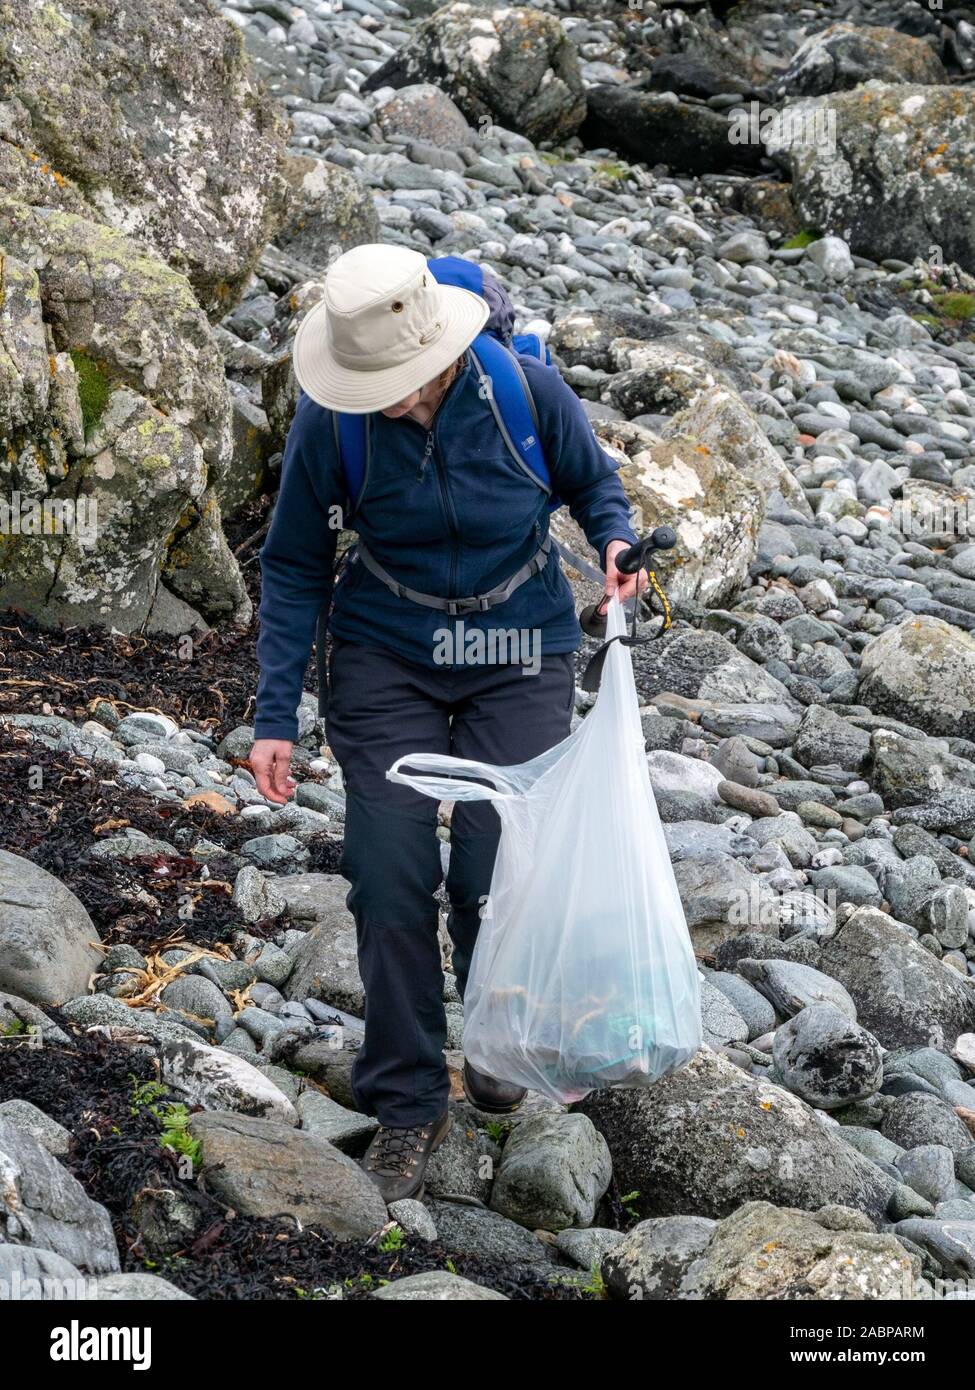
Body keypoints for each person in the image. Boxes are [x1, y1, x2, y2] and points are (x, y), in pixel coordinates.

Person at [250, 243, 644, 1202]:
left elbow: (595, 487)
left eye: (389, 378)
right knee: (387, 878)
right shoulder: (332, 423)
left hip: (519, 649)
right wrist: (274, 716)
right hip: (387, 654)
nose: (376, 394)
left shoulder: (523, 392)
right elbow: (295, 563)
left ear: (437, 355)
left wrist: (616, 542)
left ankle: (500, 1043)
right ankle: (407, 1101)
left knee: (492, 868)